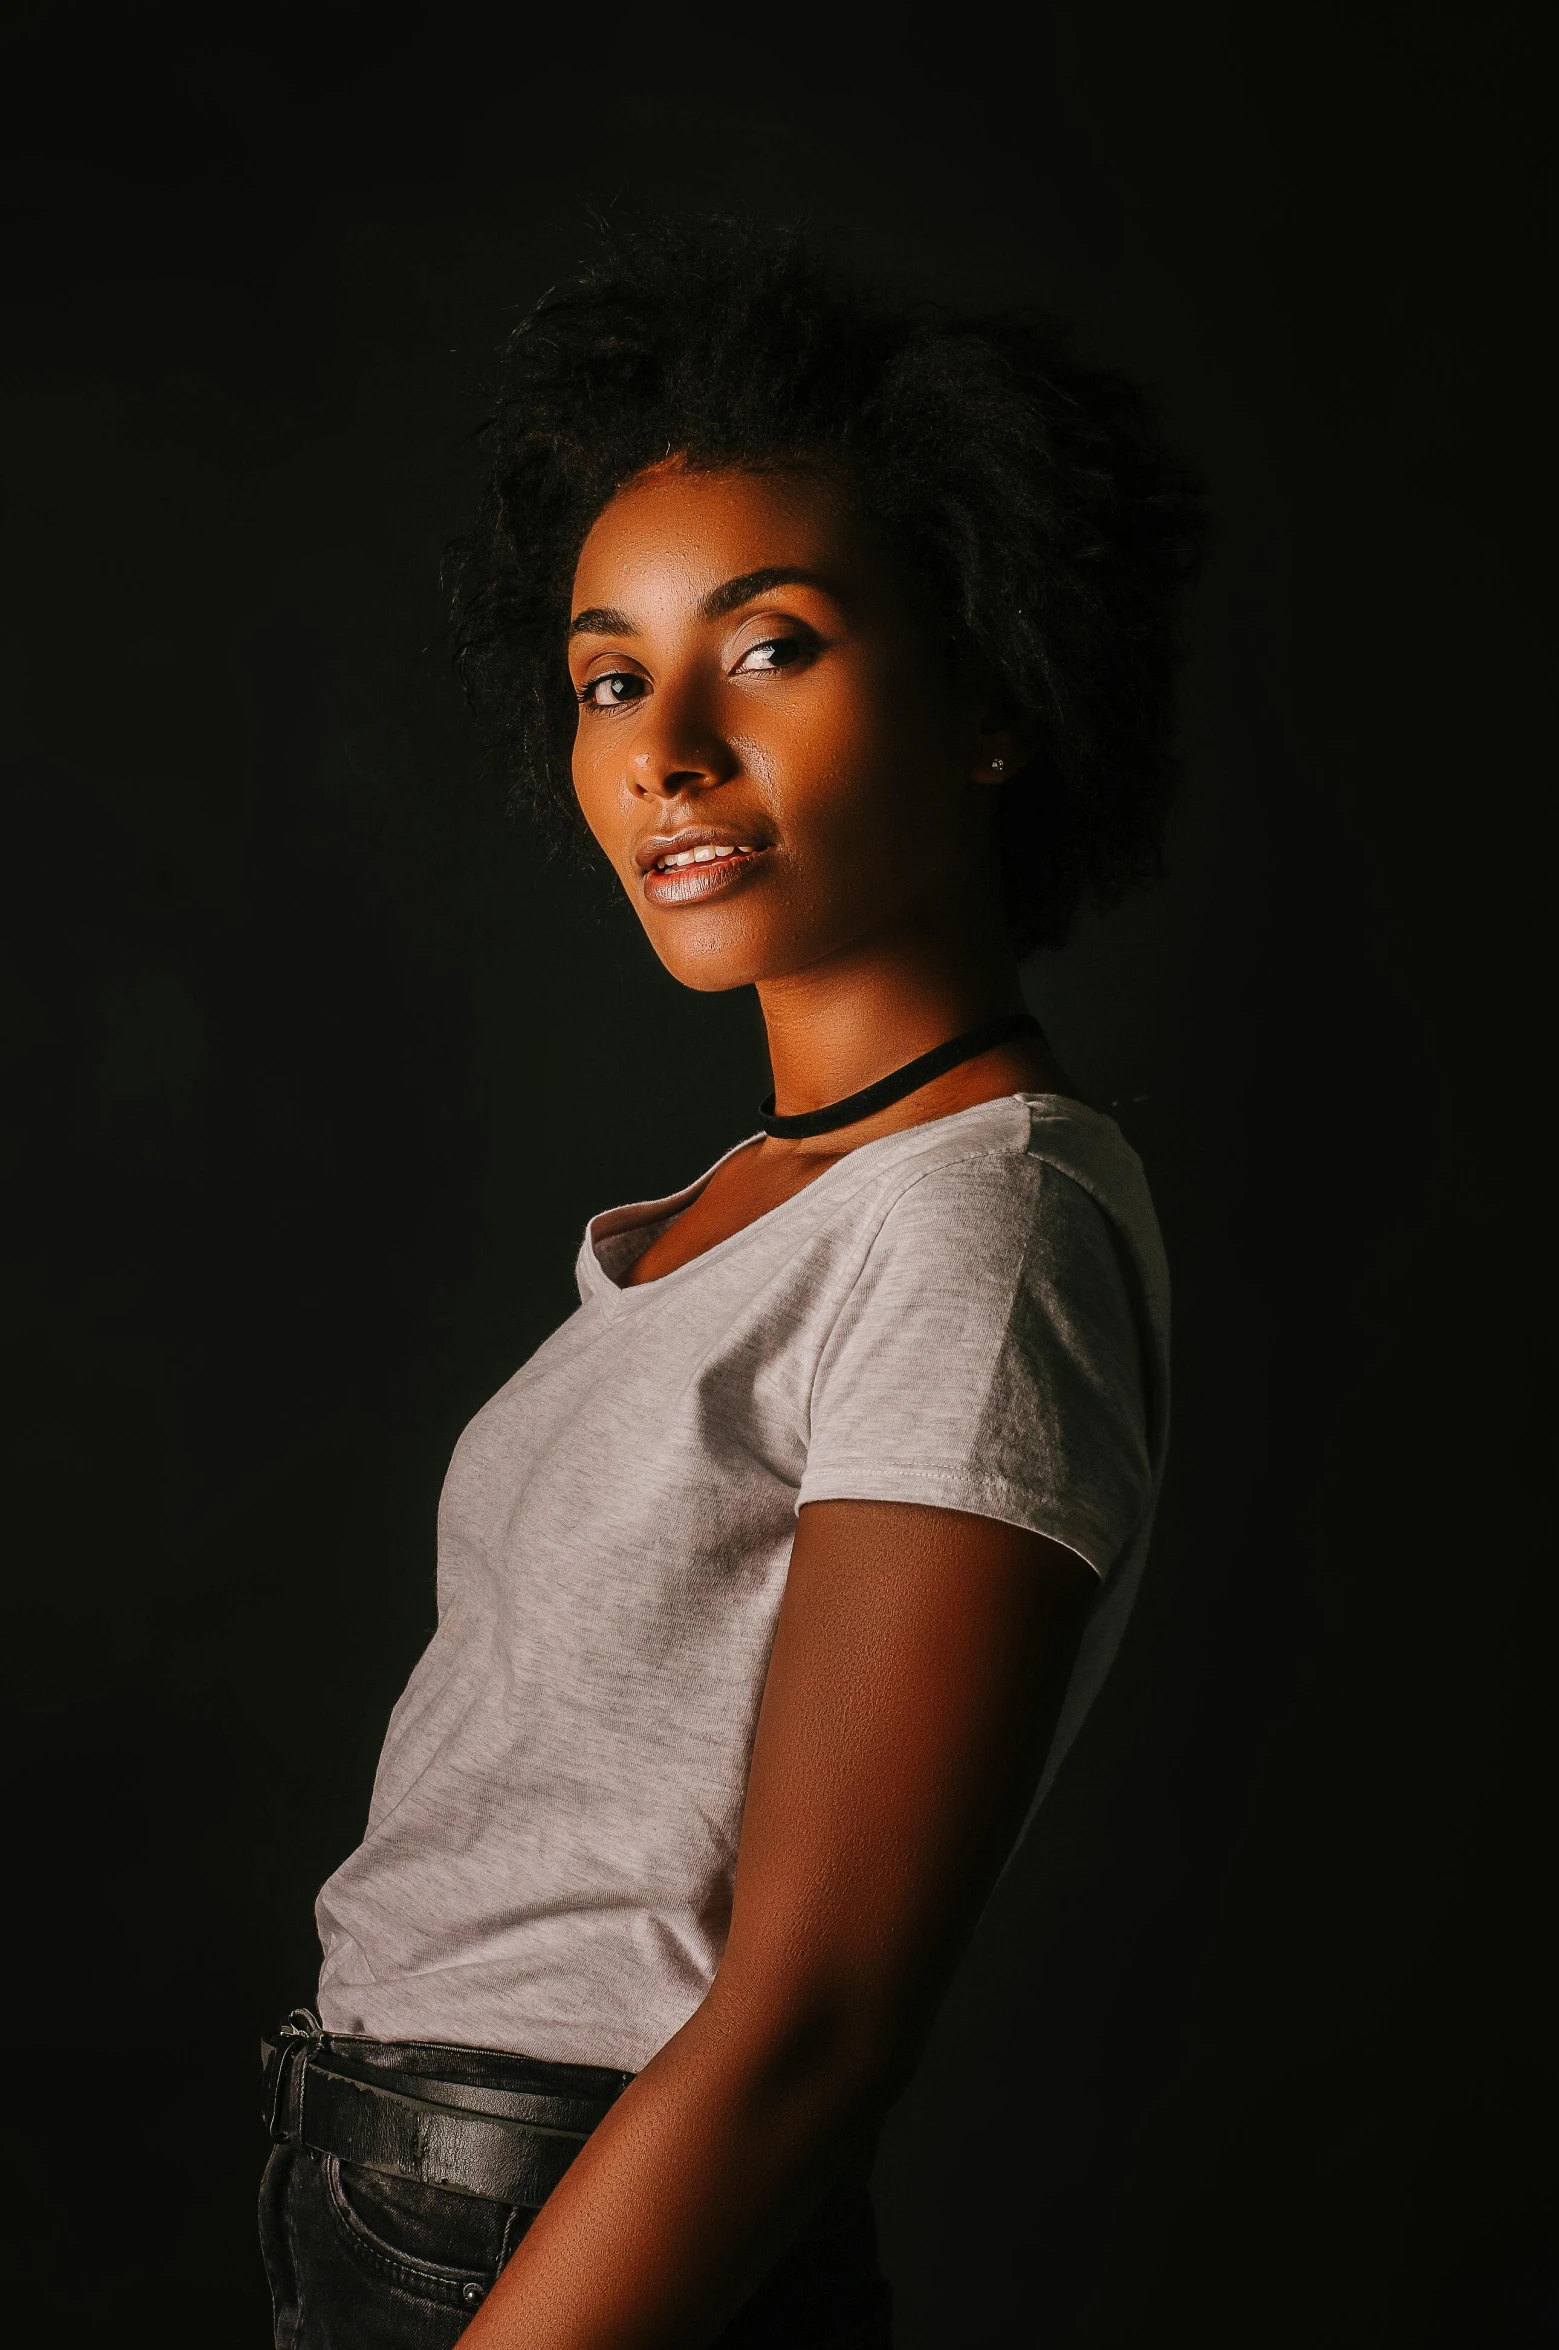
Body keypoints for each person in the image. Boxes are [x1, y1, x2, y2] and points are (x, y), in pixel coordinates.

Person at [258, 218, 1200, 2350]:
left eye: (768, 646)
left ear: (985, 694)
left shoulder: (982, 1218)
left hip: (580, 2253)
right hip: (418, 2214)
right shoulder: (755, 1200)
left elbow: (813, 2016)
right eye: (610, 676)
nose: (666, 744)